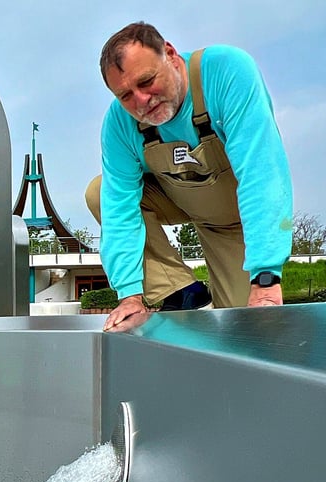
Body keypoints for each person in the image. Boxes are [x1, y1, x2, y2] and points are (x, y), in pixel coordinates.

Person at [85, 22, 293, 332]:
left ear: (169, 54)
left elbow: (261, 174)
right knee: (98, 192)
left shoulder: (226, 72)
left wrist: (265, 275)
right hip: (181, 203)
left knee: (249, 333)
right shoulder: (118, 124)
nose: (141, 101)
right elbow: (119, 209)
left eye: (147, 81)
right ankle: (181, 293)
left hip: (238, 220)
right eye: (125, 95)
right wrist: (129, 294)